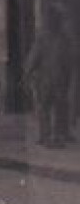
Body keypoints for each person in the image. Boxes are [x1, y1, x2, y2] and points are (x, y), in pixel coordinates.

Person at [25, 8, 74, 148]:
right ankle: (57, 137)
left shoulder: (43, 38)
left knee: (45, 108)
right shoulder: (64, 38)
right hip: (59, 80)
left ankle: (46, 137)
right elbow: (68, 61)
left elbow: (34, 57)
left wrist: (28, 73)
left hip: (45, 80)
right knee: (58, 108)